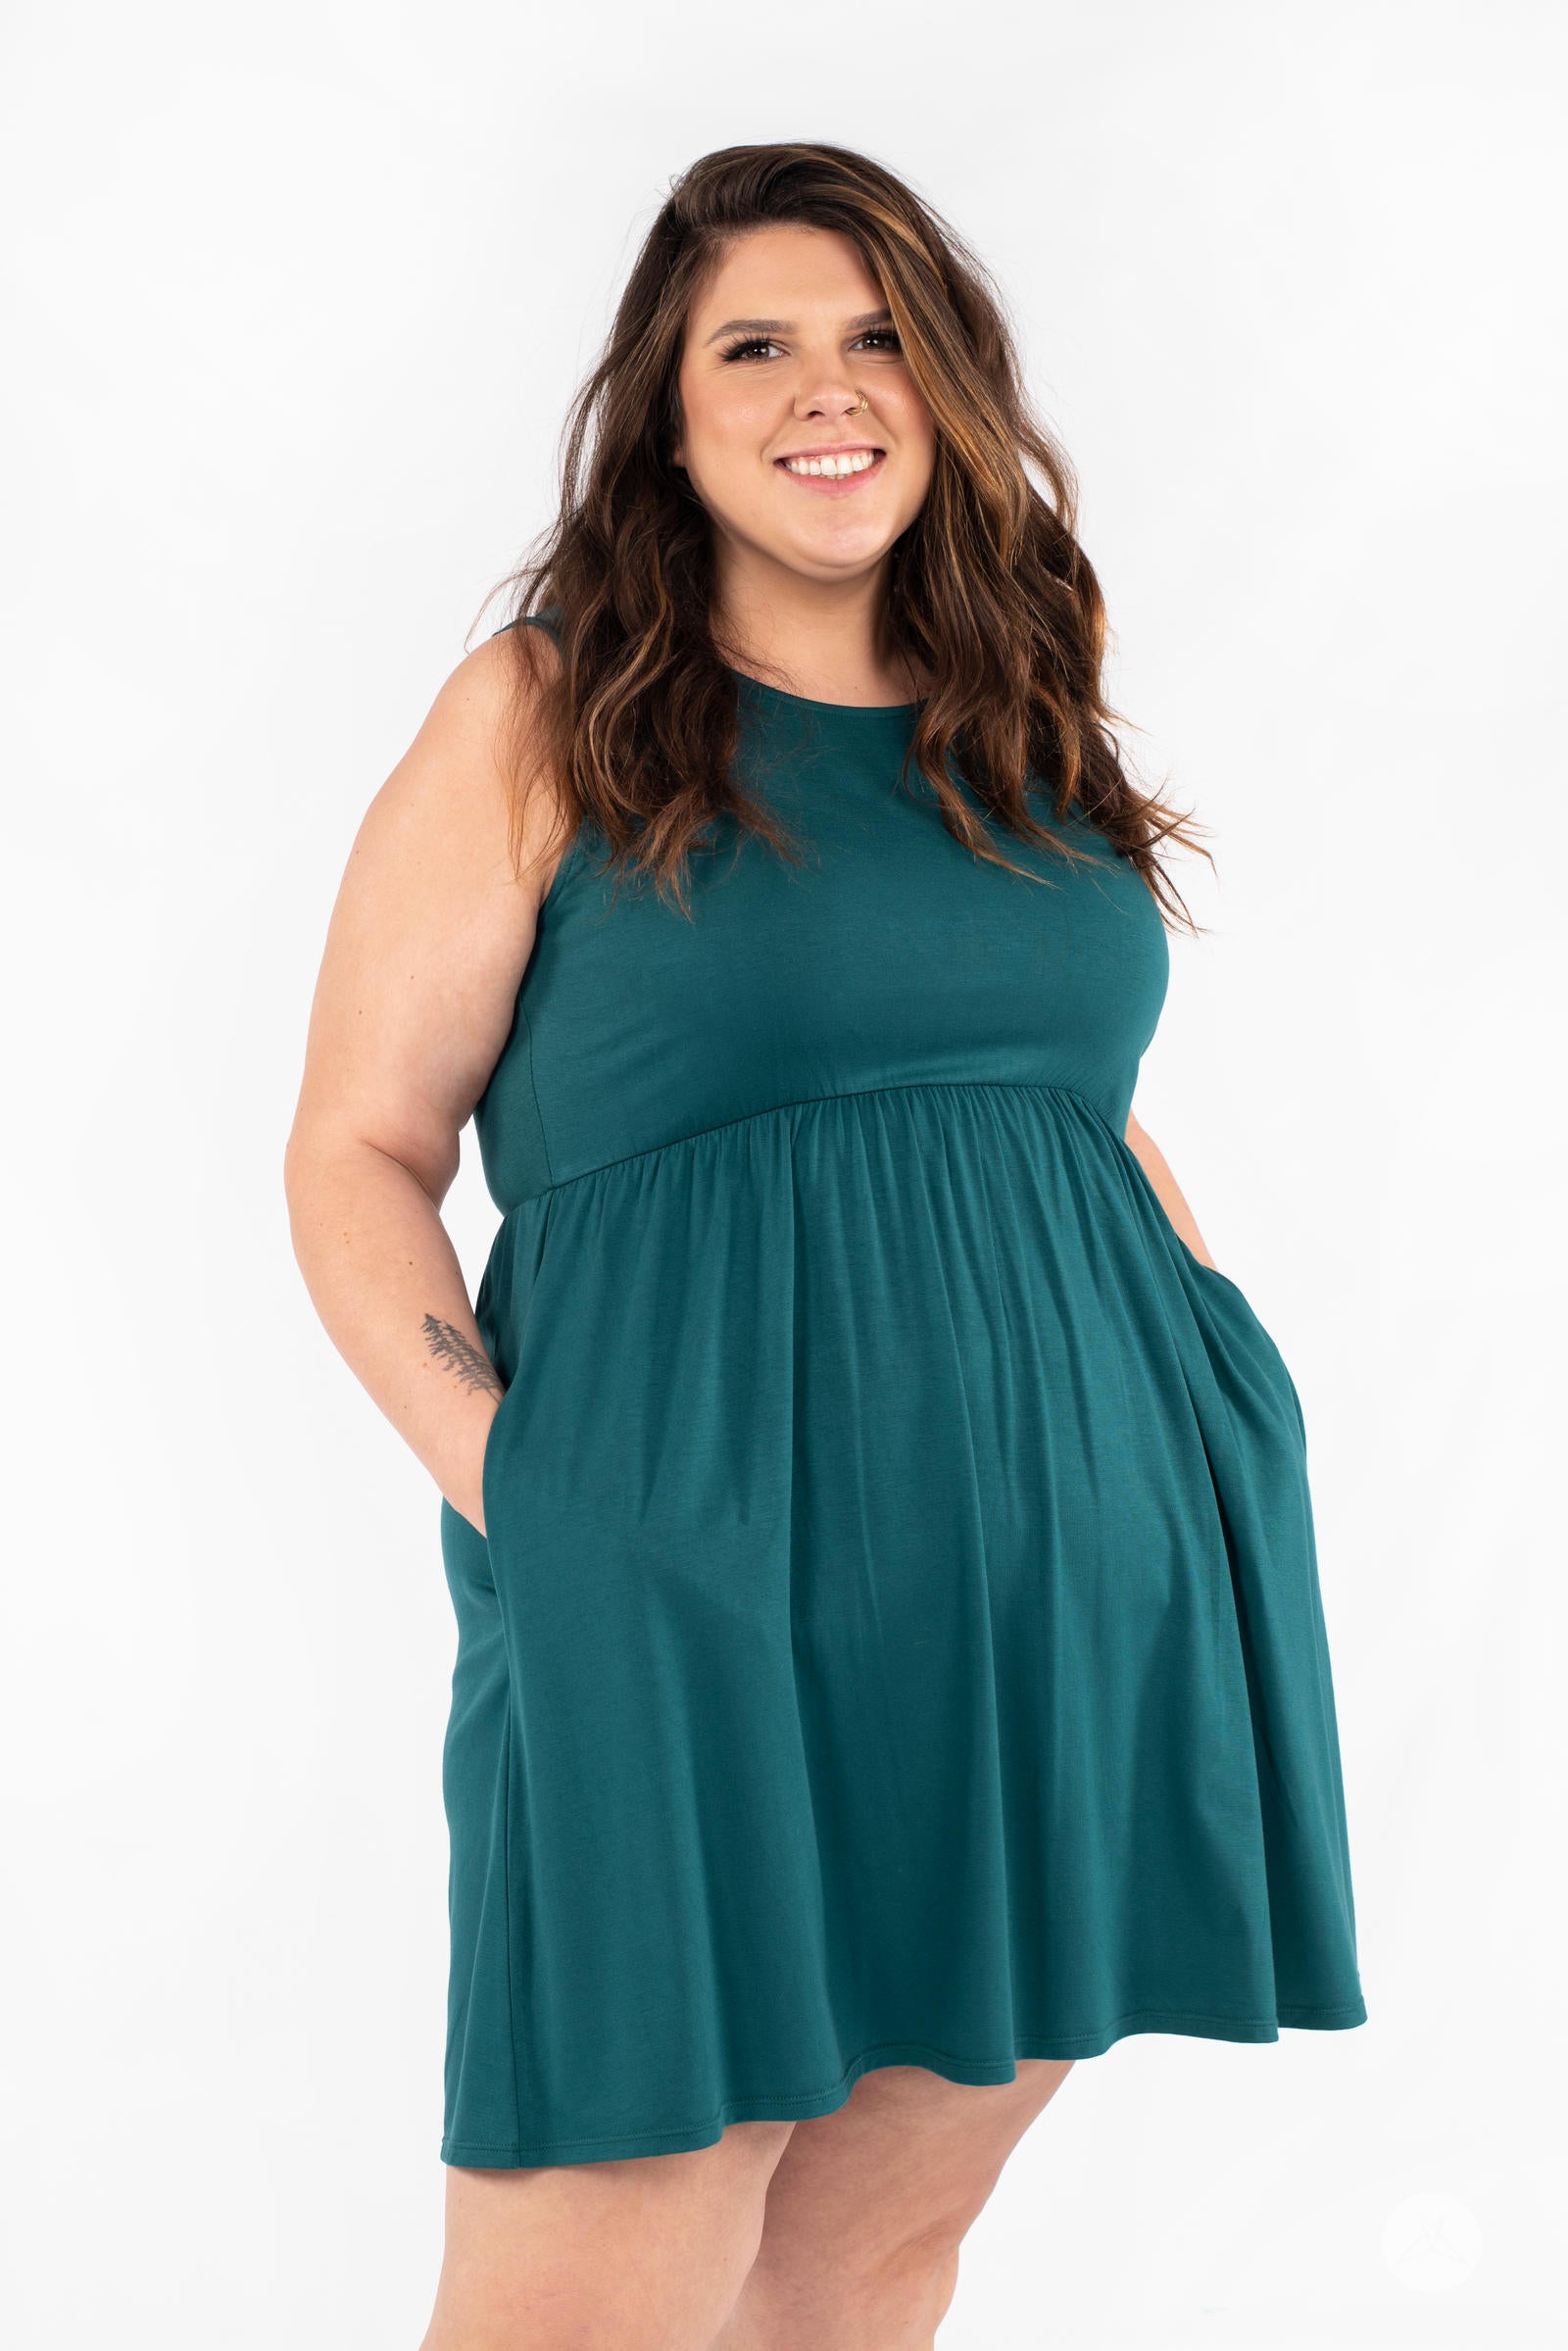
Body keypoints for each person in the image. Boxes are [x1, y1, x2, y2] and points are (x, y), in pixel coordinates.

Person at [283, 140, 1367, 2351]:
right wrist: (527, 1491)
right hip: (679, 1582)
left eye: (872, 334)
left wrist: (1200, 1389)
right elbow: (356, 1147)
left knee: (870, 2262)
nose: (821, 386)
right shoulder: (546, 710)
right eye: (751, 346)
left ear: (947, 386)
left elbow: (1046, 1110)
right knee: (588, 2269)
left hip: (1068, 1576)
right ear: (663, 418)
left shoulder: (1021, 717)